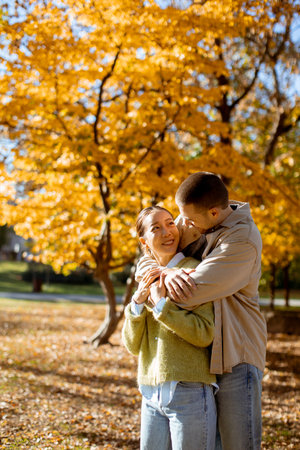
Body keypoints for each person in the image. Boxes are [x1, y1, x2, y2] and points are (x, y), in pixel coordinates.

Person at [136, 172, 267, 450]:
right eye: (180, 218)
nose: (183, 226)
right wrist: (157, 271)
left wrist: (159, 282)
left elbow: (189, 293)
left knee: (235, 444)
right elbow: (152, 253)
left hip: (235, 354)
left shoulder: (242, 242)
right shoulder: (196, 217)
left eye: (188, 220)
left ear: (214, 212)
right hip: (204, 359)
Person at [122, 205, 217, 450]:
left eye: (170, 223)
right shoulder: (147, 276)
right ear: (144, 241)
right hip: (150, 394)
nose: (167, 232)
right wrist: (138, 303)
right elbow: (132, 345)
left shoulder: (193, 271)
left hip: (190, 391)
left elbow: (205, 333)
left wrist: (162, 306)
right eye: (156, 228)